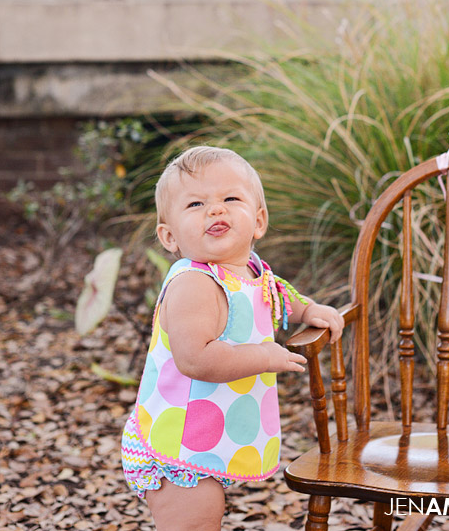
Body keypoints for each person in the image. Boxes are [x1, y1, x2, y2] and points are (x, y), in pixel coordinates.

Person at [121, 145, 344, 531]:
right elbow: (196, 360)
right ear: (169, 236)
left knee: (209, 514)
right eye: (195, 204)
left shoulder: (251, 269)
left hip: (205, 433)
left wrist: (307, 310)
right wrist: (264, 356)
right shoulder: (195, 284)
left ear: (258, 222)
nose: (215, 209)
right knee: (196, 519)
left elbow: (275, 294)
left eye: (230, 198)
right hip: (175, 444)